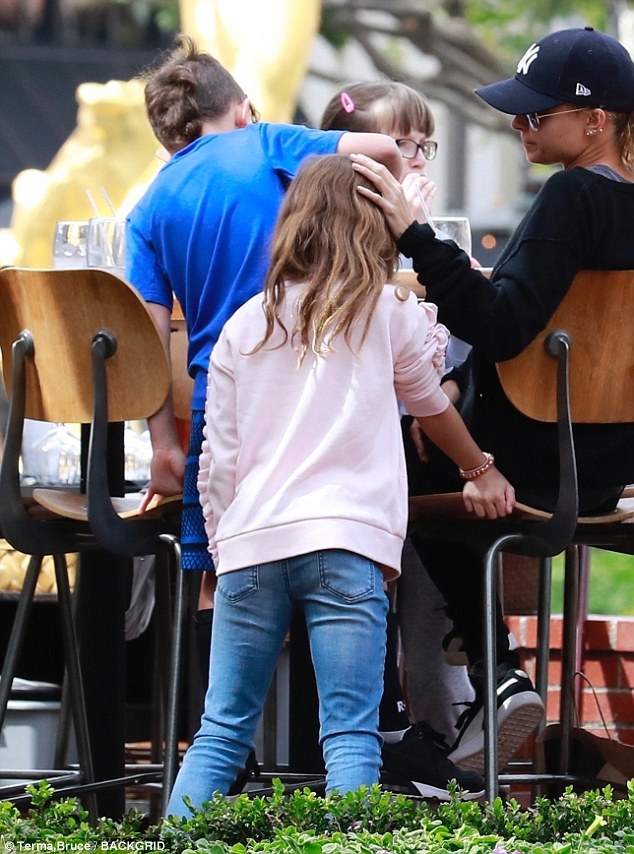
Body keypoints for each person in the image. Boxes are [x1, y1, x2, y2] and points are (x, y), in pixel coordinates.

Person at [166, 153, 515, 817]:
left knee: (220, 732)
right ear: (376, 230)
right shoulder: (386, 312)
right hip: (346, 546)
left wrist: (223, 546)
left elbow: (218, 460)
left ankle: (173, 843)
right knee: (350, 735)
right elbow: (431, 406)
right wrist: (479, 468)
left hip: (250, 544)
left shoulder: (246, 323)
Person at [350, 25, 634, 775]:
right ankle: (488, 685)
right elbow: (543, 333)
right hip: (606, 468)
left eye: (536, 114)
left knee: (397, 461)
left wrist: (415, 235)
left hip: (525, 461)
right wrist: (457, 382)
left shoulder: (572, 195)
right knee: (436, 433)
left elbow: (501, 325)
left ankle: (482, 679)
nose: (518, 125)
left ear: (595, 121)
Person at [124, 34, 401, 769]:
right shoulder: (265, 141)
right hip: (320, 374)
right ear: (241, 109)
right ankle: (328, 757)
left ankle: (226, 762)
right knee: (334, 558)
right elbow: (382, 147)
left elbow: (145, 342)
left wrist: (163, 444)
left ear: (167, 137)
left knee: (220, 571)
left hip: (221, 401)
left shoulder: (148, 206)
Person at [319, 81, 476, 751]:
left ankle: (446, 727)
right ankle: (410, 729)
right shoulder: (318, 241)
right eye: (397, 144)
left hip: (411, 454)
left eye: (422, 145)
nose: (413, 159)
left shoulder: (430, 243)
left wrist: (423, 243)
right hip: (337, 468)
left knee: (431, 551)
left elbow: (463, 339)